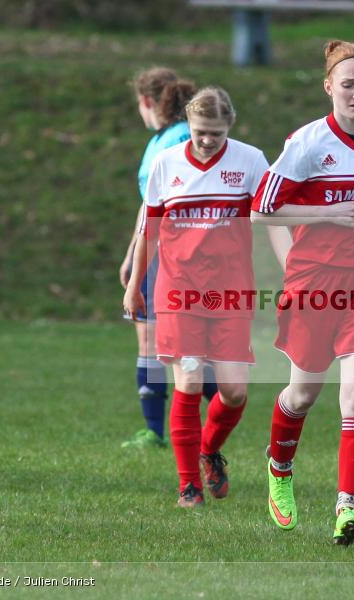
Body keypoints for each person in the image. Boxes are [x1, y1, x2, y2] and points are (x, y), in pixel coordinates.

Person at [251, 40, 354, 546]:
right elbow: (262, 210)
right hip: (315, 283)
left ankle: (348, 510)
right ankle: (279, 468)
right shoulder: (307, 142)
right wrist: (323, 214)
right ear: (329, 87)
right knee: (303, 394)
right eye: (348, 85)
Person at [124, 86, 288, 507]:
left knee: (233, 393)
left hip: (231, 289)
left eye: (216, 132)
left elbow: (271, 217)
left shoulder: (250, 161)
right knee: (190, 379)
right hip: (178, 288)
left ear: (229, 126)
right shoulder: (166, 163)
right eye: (200, 131)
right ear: (188, 125)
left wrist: (292, 270)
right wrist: (134, 285)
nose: (207, 140)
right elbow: (150, 230)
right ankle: (187, 487)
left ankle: (208, 451)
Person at [119, 67, 218, 451]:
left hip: (173, 251)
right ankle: (156, 430)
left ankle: (223, 401)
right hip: (161, 247)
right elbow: (151, 202)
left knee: (164, 343)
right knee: (154, 339)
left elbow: (160, 203)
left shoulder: (176, 138)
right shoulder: (164, 138)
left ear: (146, 101)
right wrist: (133, 252)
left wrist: (135, 254)